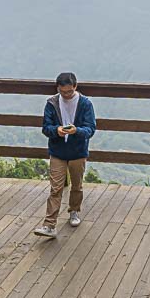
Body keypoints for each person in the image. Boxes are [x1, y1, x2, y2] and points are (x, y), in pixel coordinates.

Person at [34, 72, 97, 238]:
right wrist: (56, 130)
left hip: (78, 151)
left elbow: (90, 129)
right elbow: (46, 128)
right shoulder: (52, 103)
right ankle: (49, 225)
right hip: (57, 152)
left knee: (77, 185)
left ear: (75, 87)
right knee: (55, 189)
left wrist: (77, 131)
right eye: (63, 92)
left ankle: (74, 210)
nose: (67, 95)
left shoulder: (85, 104)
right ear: (58, 89)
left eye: (69, 91)